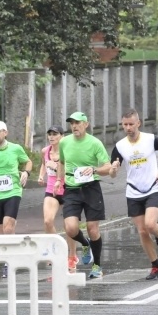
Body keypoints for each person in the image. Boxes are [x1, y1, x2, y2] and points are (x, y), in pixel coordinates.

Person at [109, 108, 158, 280]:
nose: (128, 128)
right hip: (133, 190)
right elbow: (112, 171)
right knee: (142, 231)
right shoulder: (120, 146)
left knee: (150, 225)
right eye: (125, 125)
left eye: (131, 124)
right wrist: (113, 169)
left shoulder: (150, 139)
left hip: (153, 186)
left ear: (138, 123)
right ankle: (155, 266)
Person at [54, 112, 113, 279]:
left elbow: (107, 167)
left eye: (77, 123)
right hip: (72, 189)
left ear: (86, 124)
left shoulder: (95, 143)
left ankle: (97, 266)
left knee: (92, 229)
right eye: (72, 123)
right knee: (71, 228)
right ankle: (85, 244)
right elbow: (62, 162)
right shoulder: (64, 142)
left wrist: (94, 169)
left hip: (91, 188)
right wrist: (59, 180)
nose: (74, 126)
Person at [37, 125, 78, 272]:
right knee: (48, 221)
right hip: (51, 190)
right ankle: (56, 250)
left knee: (70, 227)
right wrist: (41, 175)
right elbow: (43, 164)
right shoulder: (45, 151)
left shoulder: (68, 150)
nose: (51, 137)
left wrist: (55, 167)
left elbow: (71, 168)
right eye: (50, 134)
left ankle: (72, 256)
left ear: (62, 136)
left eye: (55, 134)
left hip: (67, 189)